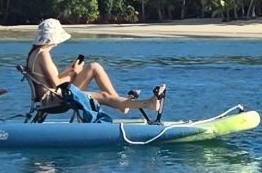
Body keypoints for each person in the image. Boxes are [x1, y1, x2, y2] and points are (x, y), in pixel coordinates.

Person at [25, 19, 166, 120]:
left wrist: (70, 70)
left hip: (55, 95)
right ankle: (147, 103)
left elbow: (50, 80)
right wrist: (74, 72)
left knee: (94, 67)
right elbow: (55, 84)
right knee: (104, 97)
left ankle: (122, 104)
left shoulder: (35, 53)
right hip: (56, 100)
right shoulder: (43, 54)